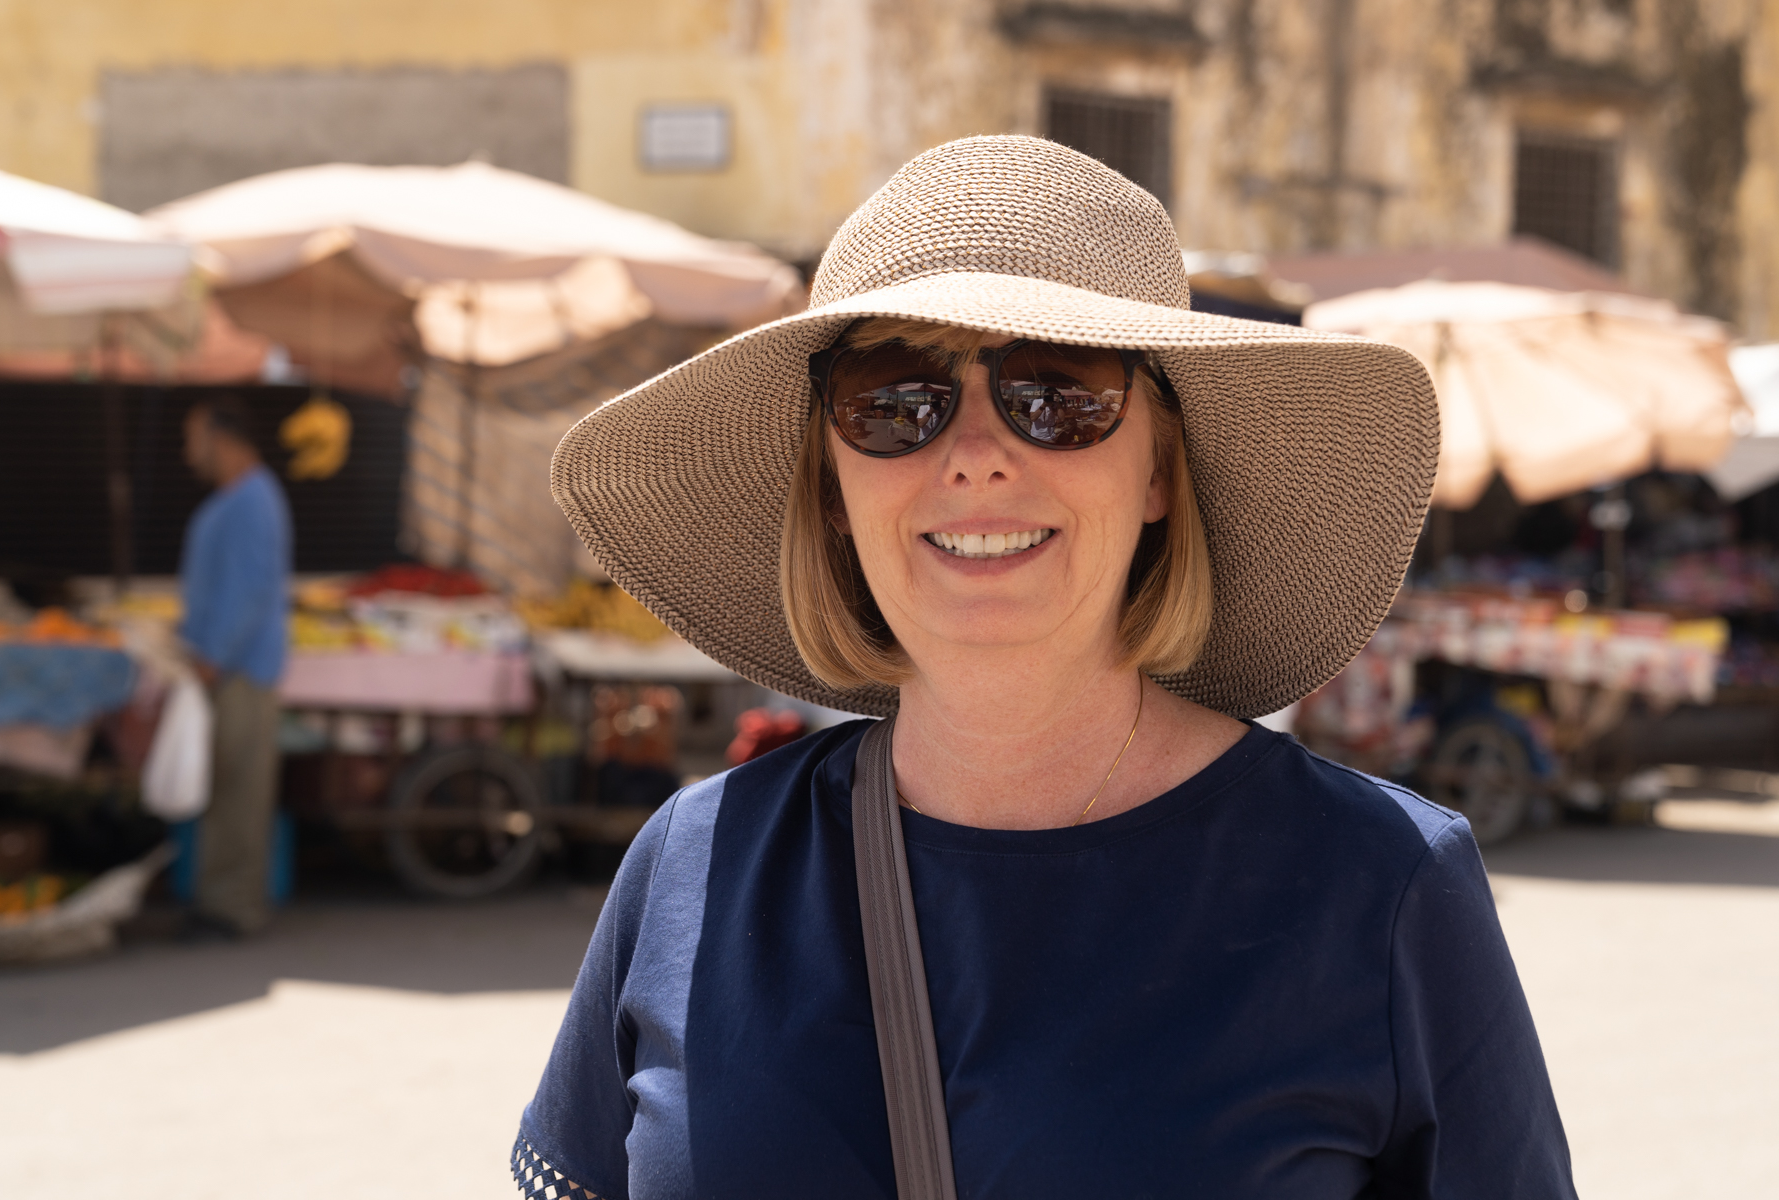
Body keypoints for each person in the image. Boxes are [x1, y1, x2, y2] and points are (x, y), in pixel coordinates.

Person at [515, 137, 1576, 1198]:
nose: (975, 453)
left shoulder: (1379, 883)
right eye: (893, 399)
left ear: (1160, 468)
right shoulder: (695, 867)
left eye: (1057, 392)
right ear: (832, 490)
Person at [178, 392, 292, 939]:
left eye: (192, 438)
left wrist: (212, 656)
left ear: (220, 440)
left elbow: (247, 592)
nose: (187, 453)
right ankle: (216, 899)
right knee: (224, 791)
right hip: (226, 668)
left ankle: (233, 909)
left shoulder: (253, 501)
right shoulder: (238, 499)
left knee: (240, 794)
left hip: (240, 671)